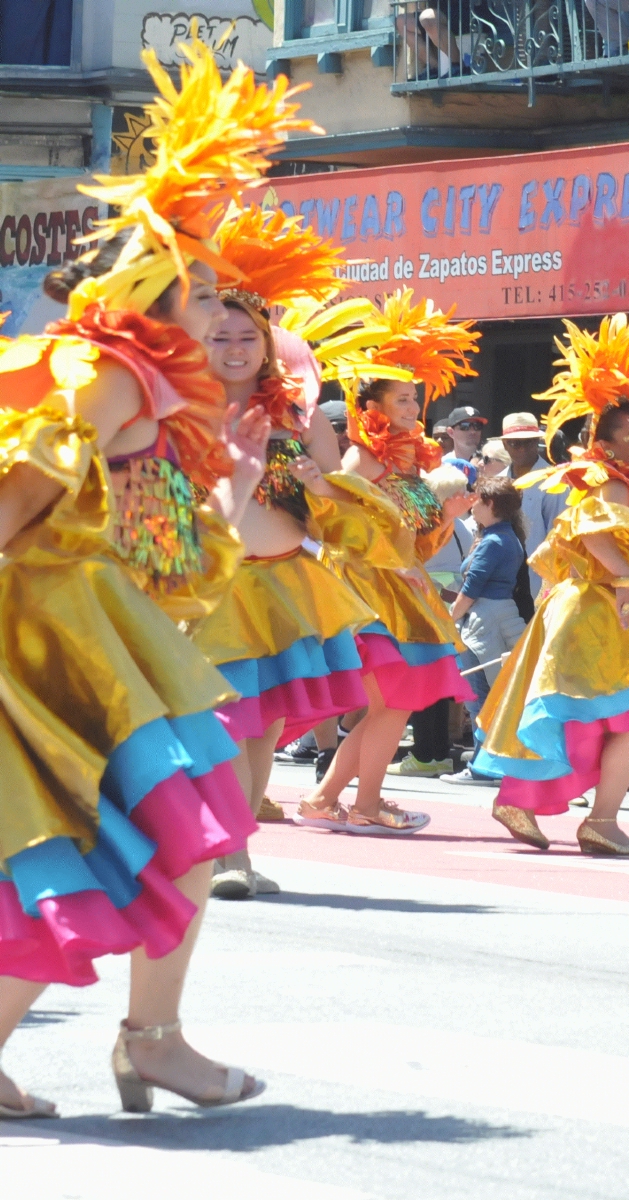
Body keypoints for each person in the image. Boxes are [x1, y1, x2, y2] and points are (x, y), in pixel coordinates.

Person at [0, 37, 305, 1117]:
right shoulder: (105, 373)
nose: (223, 307)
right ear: (152, 288)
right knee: (166, 824)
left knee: (134, 836)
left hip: (109, 628)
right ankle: (153, 1038)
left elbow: (207, 547)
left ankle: (150, 1038)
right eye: (206, 284)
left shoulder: (153, 397)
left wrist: (273, 483)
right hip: (65, 634)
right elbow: (21, 490)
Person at [191, 205, 378, 898]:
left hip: (289, 586)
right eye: (222, 336)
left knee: (262, 729)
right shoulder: (183, 411)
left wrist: (313, 480)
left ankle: (236, 847)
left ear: (268, 346)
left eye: (248, 336)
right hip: (215, 589)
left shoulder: (293, 415)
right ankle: (224, 852)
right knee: (222, 724)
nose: (235, 347)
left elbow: (341, 498)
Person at [476, 314, 629, 854]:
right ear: (608, 444)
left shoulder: (612, 483)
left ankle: (535, 801)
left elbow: (587, 539)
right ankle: (600, 820)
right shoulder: (609, 484)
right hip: (593, 612)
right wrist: (624, 580)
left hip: (589, 606)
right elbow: (593, 531)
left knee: (606, 716)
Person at [297, 290, 480, 835]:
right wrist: (387, 558)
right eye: (400, 399)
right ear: (371, 407)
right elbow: (342, 532)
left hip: (403, 594)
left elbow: (418, 546)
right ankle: (365, 804)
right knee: (392, 704)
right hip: (371, 599)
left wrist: (446, 516)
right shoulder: (361, 459)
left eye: (413, 399)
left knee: (390, 706)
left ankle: (328, 798)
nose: (411, 408)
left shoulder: (404, 465)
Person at [390, 462, 480, 779]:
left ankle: (431, 754)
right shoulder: (422, 520)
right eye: (462, 491)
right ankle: (428, 753)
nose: (470, 495)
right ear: (446, 495)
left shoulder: (453, 523)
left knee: (432, 675)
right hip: (411, 598)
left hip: (427, 600)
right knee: (419, 676)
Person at [439, 475, 529, 786]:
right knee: (490, 694)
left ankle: (483, 766)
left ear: (490, 504)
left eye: (477, 501)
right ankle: (488, 762)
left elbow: (471, 589)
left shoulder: (494, 540)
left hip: (482, 622)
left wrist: (450, 620)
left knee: (479, 696)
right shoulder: (505, 537)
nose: (472, 507)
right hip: (497, 616)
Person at [501, 411, 569, 597]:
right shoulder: (498, 480)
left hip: (538, 582)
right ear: (504, 445)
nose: (522, 449)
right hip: (501, 581)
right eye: (515, 443)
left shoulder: (554, 482)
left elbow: (559, 536)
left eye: (529, 442)